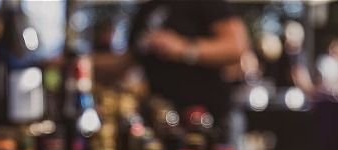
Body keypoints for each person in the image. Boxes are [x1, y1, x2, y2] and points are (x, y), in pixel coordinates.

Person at [95, 0, 250, 140]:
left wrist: (185, 48)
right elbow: (127, 60)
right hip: (162, 121)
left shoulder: (204, 3)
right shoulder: (147, 9)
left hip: (207, 120)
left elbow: (236, 46)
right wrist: (82, 61)